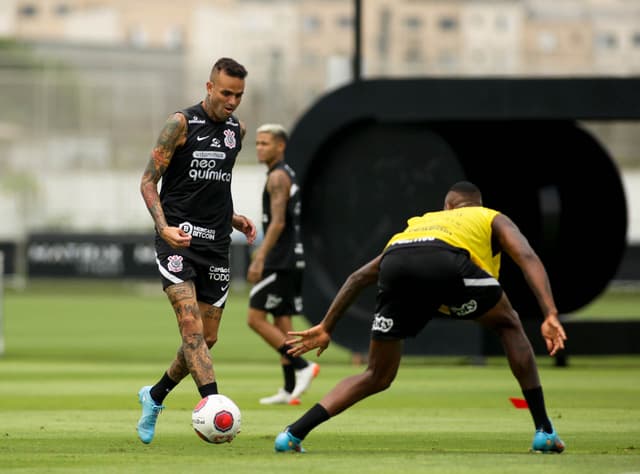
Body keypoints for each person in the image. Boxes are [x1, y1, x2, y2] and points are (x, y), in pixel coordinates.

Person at [274, 180, 567, 454]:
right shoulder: (489, 216)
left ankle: (291, 435)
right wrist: (550, 313)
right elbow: (526, 255)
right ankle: (544, 430)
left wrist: (328, 326)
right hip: (447, 264)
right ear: (475, 204)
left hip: (396, 264)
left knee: (377, 375)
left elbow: (358, 277)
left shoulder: (420, 222)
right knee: (508, 323)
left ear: (448, 206)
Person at [136, 57, 257, 444]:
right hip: (178, 241)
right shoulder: (180, 124)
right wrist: (164, 227)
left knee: (207, 340)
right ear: (208, 87)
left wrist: (234, 217)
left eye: (238, 94)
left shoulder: (237, 131)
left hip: (217, 244)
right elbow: (148, 182)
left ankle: (154, 396)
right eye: (226, 92)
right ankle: (216, 408)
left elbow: (214, 186)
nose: (232, 101)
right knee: (191, 330)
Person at [247, 123, 319, 405]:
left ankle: (303, 367)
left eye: (266, 143)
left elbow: (278, 222)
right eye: (257, 143)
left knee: (255, 318)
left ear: (281, 146)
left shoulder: (277, 177)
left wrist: (261, 256)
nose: (260, 148)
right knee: (282, 321)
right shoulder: (285, 174)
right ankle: (289, 388)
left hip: (280, 260)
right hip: (291, 258)